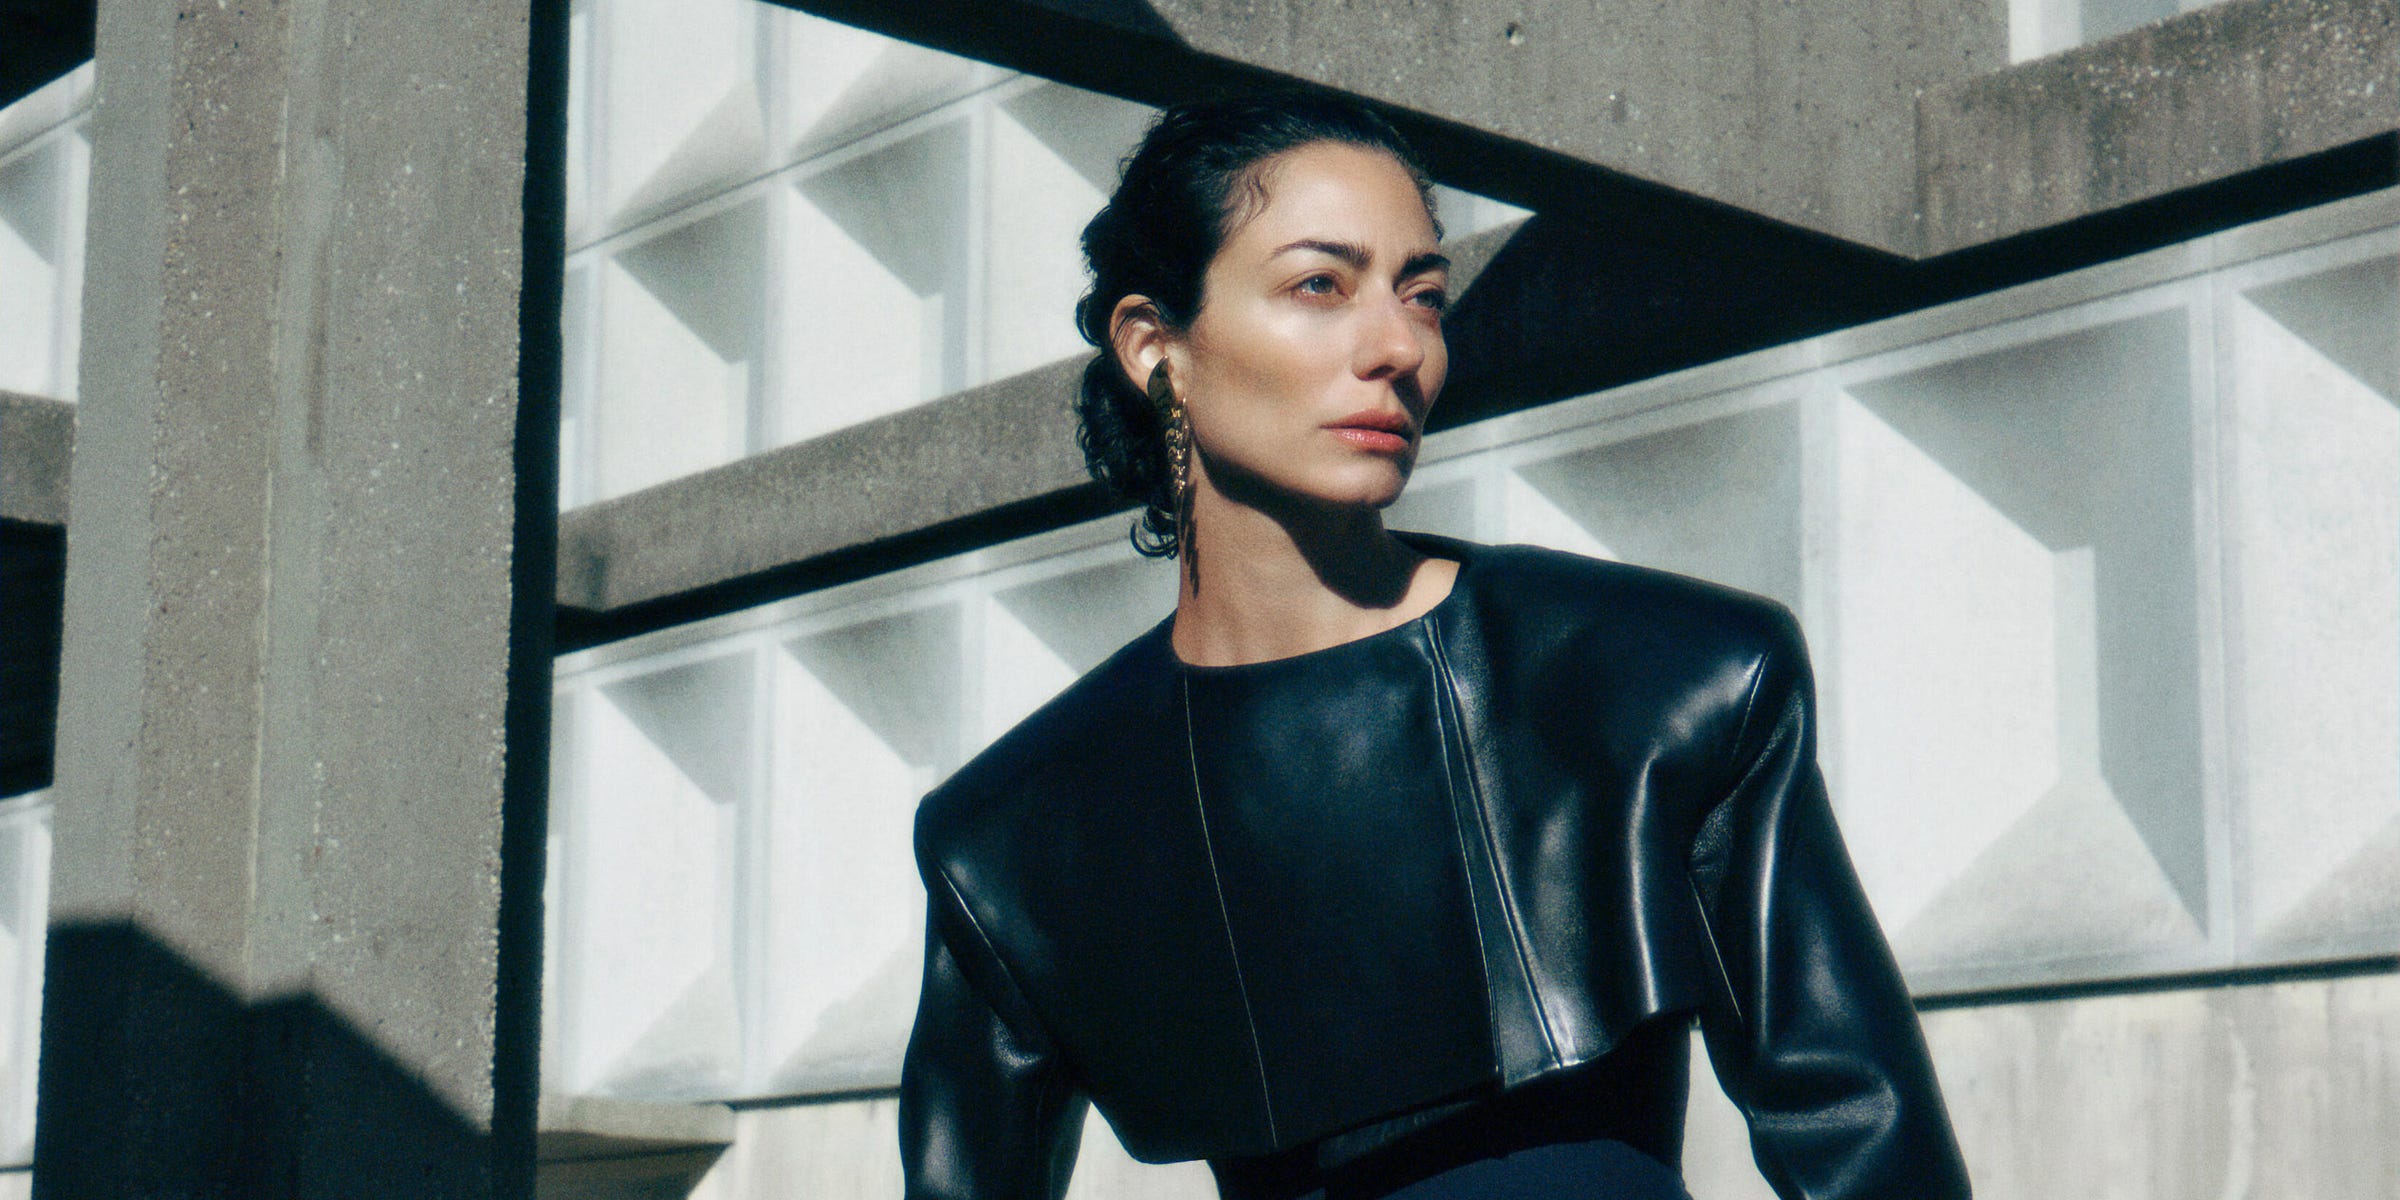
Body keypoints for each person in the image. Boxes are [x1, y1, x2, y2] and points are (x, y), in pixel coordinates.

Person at [898, 92, 1972, 1200]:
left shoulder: (1667, 685)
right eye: (1321, 285)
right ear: (1154, 346)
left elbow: (1869, 1149)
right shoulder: (1017, 837)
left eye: (1423, 295)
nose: (1398, 346)